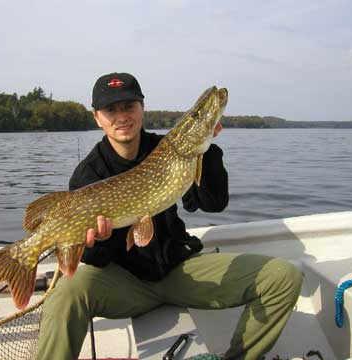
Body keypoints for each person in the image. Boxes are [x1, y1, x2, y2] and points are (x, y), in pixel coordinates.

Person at [36, 72, 303, 360]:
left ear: (142, 108)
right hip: (125, 284)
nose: (121, 116)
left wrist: (208, 149)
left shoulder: (170, 151)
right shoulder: (89, 173)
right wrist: (99, 241)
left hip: (178, 270)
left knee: (283, 277)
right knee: (65, 293)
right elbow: (94, 261)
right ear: (97, 118)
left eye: (128, 106)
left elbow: (213, 203)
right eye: (111, 110)